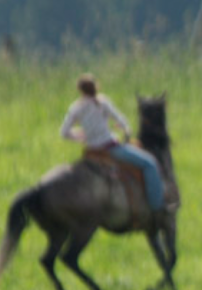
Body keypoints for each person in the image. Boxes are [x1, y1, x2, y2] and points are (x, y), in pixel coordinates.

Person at [59, 74, 166, 212]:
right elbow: (123, 122)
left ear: (80, 90)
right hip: (109, 148)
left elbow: (64, 132)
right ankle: (157, 206)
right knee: (150, 163)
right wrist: (125, 130)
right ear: (96, 86)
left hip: (91, 151)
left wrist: (82, 136)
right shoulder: (103, 102)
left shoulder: (76, 107)